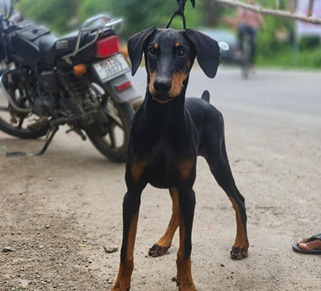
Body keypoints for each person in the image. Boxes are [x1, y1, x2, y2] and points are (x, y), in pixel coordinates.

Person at [233, 0, 264, 67]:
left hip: (253, 27)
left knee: (253, 43)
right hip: (245, 26)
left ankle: (251, 63)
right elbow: (239, 16)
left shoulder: (256, 7)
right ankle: (239, 50)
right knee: (240, 32)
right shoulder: (244, 7)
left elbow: (259, 17)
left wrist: (262, 24)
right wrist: (236, 25)